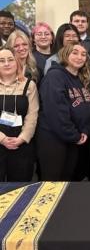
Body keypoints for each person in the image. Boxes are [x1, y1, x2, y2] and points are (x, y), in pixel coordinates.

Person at [36, 43, 90, 181]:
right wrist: (74, 135)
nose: (79, 57)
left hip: (73, 139)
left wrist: (85, 130)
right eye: (75, 52)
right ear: (65, 54)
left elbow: (88, 109)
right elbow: (56, 112)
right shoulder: (55, 76)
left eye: (83, 54)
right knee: (52, 184)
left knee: (67, 181)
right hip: (54, 140)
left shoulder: (81, 80)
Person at [0, 47, 39, 181]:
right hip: (0, 140)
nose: (6, 64)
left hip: (22, 145)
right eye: (2, 61)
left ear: (17, 62)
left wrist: (22, 138)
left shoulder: (29, 85)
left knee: (19, 188)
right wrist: (2, 139)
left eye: (10, 60)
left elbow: (32, 116)